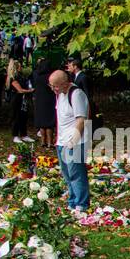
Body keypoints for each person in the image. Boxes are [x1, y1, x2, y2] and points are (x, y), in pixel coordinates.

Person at [50, 70, 91, 212]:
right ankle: (73, 201)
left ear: (64, 83)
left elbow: (81, 120)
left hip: (75, 142)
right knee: (67, 175)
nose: (53, 89)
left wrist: (73, 140)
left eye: (55, 86)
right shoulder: (59, 95)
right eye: (51, 86)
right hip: (62, 141)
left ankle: (81, 204)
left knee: (76, 174)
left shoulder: (76, 94)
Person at [32, 58, 56, 148]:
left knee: (42, 122)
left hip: (39, 100)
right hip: (49, 100)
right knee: (49, 123)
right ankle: (50, 142)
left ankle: (43, 141)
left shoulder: (37, 76)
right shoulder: (50, 77)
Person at [8, 65, 34, 142]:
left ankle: (24, 134)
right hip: (16, 99)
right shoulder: (13, 78)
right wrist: (30, 91)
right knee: (16, 117)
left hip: (23, 99)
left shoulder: (22, 76)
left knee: (23, 116)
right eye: (19, 66)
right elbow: (20, 90)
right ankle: (15, 135)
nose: (21, 67)